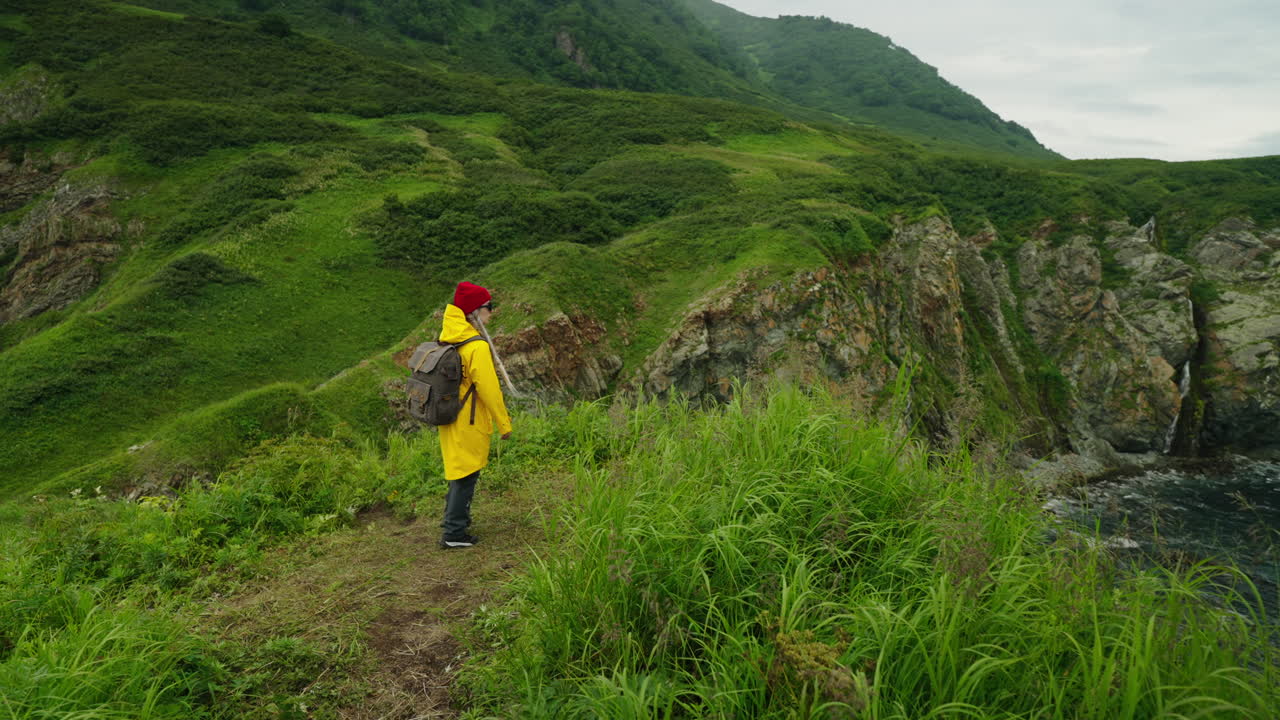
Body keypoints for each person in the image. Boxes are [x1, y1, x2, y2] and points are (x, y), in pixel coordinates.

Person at [437, 281, 512, 549]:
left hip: (449, 416)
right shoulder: (476, 346)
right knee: (466, 475)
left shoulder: (449, 337)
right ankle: (454, 533)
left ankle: (455, 523)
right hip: (468, 419)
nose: (491, 313)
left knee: (459, 472)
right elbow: (489, 390)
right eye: (488, 308)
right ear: (475, 311)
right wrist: (504, 423)